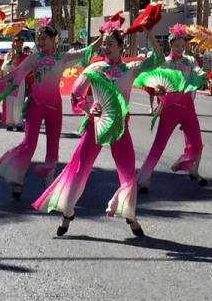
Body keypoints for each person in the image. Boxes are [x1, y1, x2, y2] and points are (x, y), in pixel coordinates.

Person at [33, 23, 162, 238]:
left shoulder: (130, 69)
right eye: (103, 44)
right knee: (79, 168)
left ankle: (130, 214)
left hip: (119, 127)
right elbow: (76, 95)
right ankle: (68, 212)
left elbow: (158, 59)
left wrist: (149, 33)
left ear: (121, 47)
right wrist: (88, 108)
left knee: (128, 171)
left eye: (110, 43)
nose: (105, 47)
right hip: (95, 125)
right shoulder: (95, 68)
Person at [0, 24, 97, 199]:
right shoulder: (34, 58)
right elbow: (15, 75)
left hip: (55, 108)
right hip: (35, 105)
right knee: (29, 144)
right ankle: (18, 179)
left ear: (53, 40)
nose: (41, 42)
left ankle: (49, 180)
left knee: (53, 145)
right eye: (39, 39)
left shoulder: (62, 57)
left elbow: (87, 50)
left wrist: (103, 37)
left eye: (44, 38)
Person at [137, 24, 207, 193]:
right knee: (159, 145)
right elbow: (156, 80)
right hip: (169, 107)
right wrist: (159, 89)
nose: (180, 49)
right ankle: (144, 178)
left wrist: (201, 76)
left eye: (183, 46)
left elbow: (197, 71)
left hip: (188, 107)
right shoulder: (164, 63)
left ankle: (188, 166)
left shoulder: (190, 61)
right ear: (171, 45)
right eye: (177, 46)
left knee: (197, 144)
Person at [0, 36, 28, 131]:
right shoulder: (8, 55)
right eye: (17, 43)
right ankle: (10, 123)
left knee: (19, 102)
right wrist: (11, 60)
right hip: (10, 81)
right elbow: (4, 69)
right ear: (13, 44)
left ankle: (18, 122)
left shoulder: (25, 57)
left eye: (21, 43)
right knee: (10, 101)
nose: (19, 45)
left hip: (20, 81)